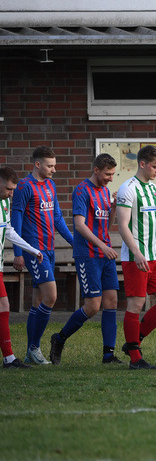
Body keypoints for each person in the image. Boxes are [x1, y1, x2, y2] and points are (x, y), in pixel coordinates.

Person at [48, 154, 122, 365]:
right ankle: (59, 338)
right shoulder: (82, 190)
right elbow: (79, 225)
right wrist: (102, 246)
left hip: (104, 253)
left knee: (112, 302)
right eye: (107, 174)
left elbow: (106, 227)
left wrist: (114, 208)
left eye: (113, 174)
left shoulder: (105, 192)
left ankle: (108, 355)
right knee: (92, 307)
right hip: (88, 255)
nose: (110, 178)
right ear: (96, 169)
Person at [11, 146, 75, 365]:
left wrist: (74, 242)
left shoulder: (50, 185)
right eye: (50, 166)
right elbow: (16, 222)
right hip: (34, 251)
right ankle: (35, 347)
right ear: (37, 164)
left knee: (38, 300)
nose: (53, 170)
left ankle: (31, 351)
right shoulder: (23, 187)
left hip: (49, 249)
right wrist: (19, 253)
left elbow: (57, 217)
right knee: (51, 296)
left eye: (54, 165)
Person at [116, 145, 156, 371]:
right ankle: (135, 358)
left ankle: (133, 342)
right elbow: (122, 225)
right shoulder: (127, 189)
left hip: (154, 257)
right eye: (155, 167)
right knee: (136, 304)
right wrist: (137, 253)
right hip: (134, 257)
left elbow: (154, 222)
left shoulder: (153, 189)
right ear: (142, 164)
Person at [1, 166, 43, 369]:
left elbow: (9, 231)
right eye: (9, 189)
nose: (11, 193)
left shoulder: (4, 204)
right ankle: (8, 358)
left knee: (4, 307)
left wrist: (32, 250)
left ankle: (8, 358)